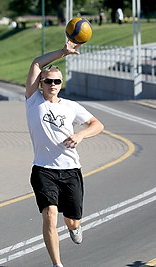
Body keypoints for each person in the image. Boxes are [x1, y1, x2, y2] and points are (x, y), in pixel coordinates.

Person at [25, 39, 104, 267]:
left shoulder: (70, 106)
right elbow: (36, 63)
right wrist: (62, 52)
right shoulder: (33, 100)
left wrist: (80, 135)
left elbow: (97, 124)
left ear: (61, 84)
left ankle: (75, 227)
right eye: (48, 81)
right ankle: (57, 264)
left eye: (56, 81)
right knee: (50, 214)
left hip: (70, 171)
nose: (52, 84)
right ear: (41, 83)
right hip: (43, 170)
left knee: (71, 221)